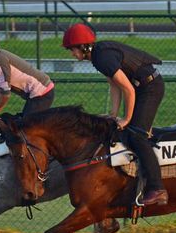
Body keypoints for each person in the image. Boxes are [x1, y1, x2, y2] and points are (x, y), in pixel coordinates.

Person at [62, 23, 168, 206]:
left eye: (72, 49)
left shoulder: (102, 57)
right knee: (124, 131)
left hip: (149, 87)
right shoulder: (98, 56)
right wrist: (113, 114)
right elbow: (114, 83)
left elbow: (128, 90)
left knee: (136, 134)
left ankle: (157, 189)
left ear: (84, 46)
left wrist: (126, 119)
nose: (72, 53)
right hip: (141, 86)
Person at [0, 31, 55, 120]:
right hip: (38, 93)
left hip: (42, 92)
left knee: (26, 128)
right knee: (22, 124)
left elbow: (5, 94)